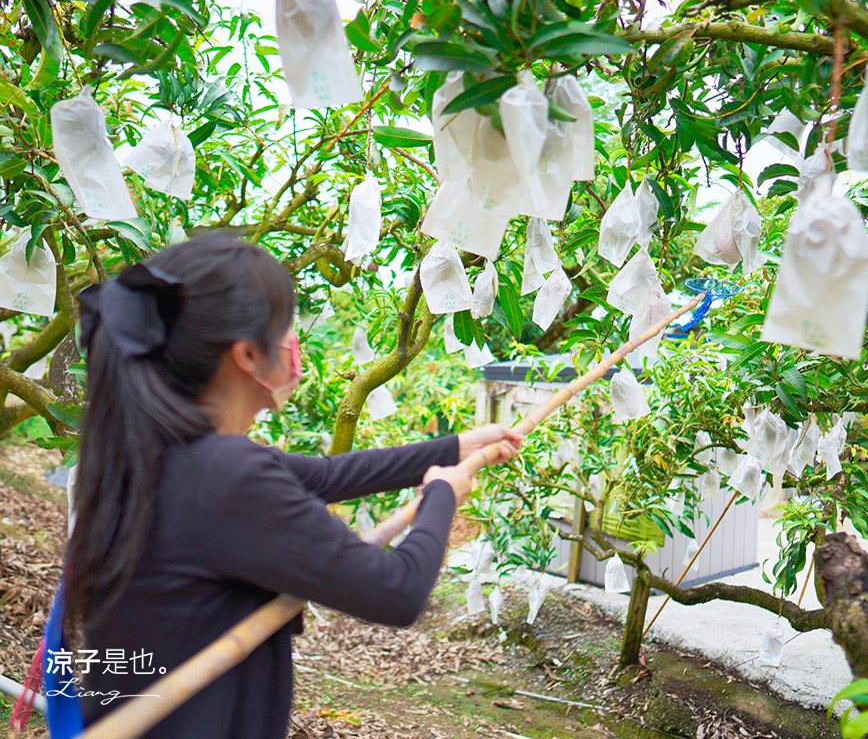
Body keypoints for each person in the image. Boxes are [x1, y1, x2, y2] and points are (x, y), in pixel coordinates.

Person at [56, 231, 524, 737]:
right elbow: (397, 591)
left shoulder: (160, 453)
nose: (293, 342)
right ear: (247, 355)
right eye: (285, 326)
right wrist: (441, 496)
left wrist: (456, 448)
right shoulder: (225, 474)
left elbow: (328, 476)